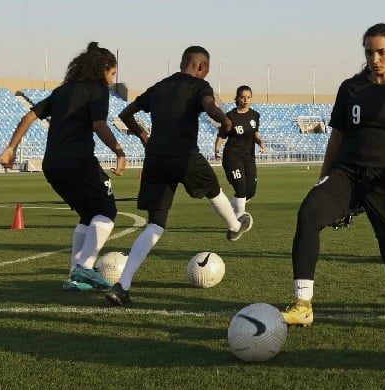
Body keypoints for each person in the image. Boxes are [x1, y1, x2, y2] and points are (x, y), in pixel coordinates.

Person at [281, 23, 385, 326]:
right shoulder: (351, 88)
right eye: (369, 52)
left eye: (381, 52)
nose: (374, 58)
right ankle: (302, 303)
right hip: (346, 174)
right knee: (309, 213)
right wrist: (323, 179)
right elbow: (336, 138)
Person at [106, 45, 252, 306]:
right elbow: (211, 108)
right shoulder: (200, 87)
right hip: (184, 155)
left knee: (155, 224)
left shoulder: (160, 86)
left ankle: (122, 286)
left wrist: (142, 135)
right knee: (213, 188)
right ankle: (234, 225)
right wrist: (225, 121)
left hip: (155, 159)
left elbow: (125, 114)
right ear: (200, 66)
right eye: (206, 68)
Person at [0, 42, 125, 291]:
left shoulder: (62, 91)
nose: (111, 80)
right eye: (111, 74)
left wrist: (10, 147)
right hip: (78, 161)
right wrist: (119, 151)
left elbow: (29, 116)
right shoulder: (97, 90)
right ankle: (85, 268)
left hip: (52, 165)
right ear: (103, 69)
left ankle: (72, 277)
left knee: (88, 214)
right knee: (107, 211)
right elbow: (99, 124)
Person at [214, 85, 266, 219]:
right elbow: (221, 135)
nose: (246, 100)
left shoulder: (255, 115)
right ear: (237, 98)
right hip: (233, 157)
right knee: (241, 188)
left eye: (248, 97)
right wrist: (217, 149)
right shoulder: (230, 116)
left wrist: (261, 142)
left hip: (249, 157)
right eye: (242, 97)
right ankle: (239, 219)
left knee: (251, 191)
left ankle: (230, 208)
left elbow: (255, 134)